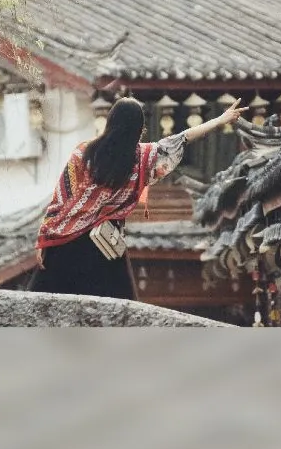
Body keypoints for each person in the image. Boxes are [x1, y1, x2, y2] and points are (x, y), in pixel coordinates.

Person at [28, 96, 247, 298]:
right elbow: (183, 139)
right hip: (104, 245)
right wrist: (220, 119)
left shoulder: (83, 153)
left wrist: (43, 239)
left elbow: (62, 197)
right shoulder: (144, 158)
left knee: (41, 304)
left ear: (110, 122)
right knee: (120, 310)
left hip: (66, 243)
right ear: (139, 129)